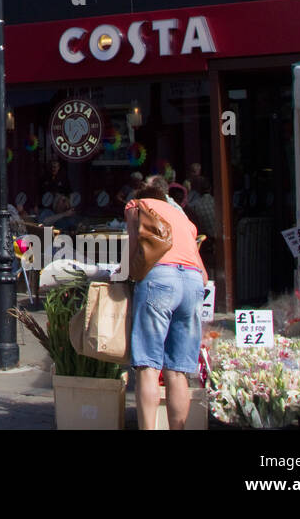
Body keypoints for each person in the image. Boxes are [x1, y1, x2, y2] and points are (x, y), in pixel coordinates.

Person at [127, 178, 207, 430]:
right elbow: (203, 274)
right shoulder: (182, 217)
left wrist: (126, 275)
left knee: (148, 366)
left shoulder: (136, 205)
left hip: (160, 278)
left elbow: (133, 248)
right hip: (193, 283)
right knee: (177, 370)